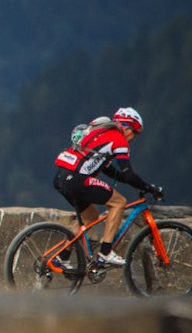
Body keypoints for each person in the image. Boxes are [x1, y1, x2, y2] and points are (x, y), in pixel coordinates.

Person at [53, 106, 163, 266]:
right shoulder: (119, 140)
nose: (133, 138)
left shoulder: (101, 133)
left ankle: (62, 257)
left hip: (61, 176)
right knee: (119, 202)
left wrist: (138, 184)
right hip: (77, 179)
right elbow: (128, 174)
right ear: (126, 127)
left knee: (90, 216)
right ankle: (105, 253)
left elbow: (111, 171)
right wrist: (149, 188)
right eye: (135, 133)